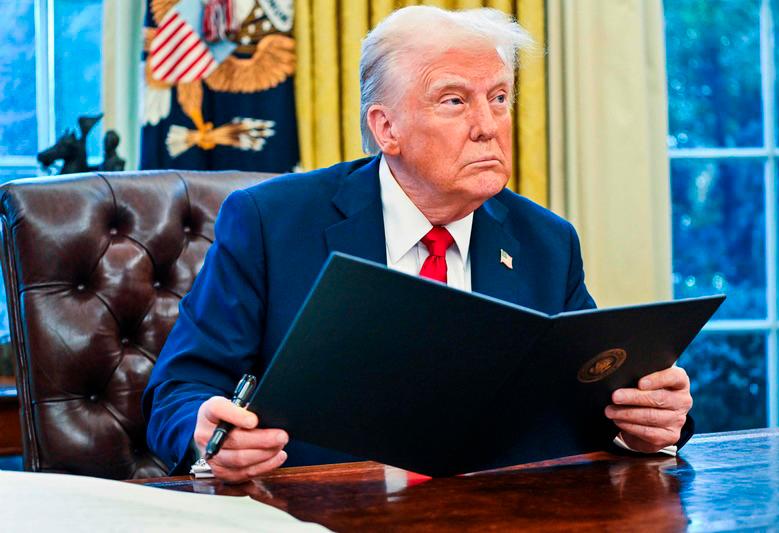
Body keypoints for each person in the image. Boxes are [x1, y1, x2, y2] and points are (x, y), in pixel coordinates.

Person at [144, 6, 694, 483]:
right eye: (454, 101)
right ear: (387, 129)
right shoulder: (269, 222)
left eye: (499, 98)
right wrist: (207, 436)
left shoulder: (546, 241)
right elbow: (179, 388)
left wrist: (648, 427)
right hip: (318, 513)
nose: (489, 125)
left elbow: (592, 398)